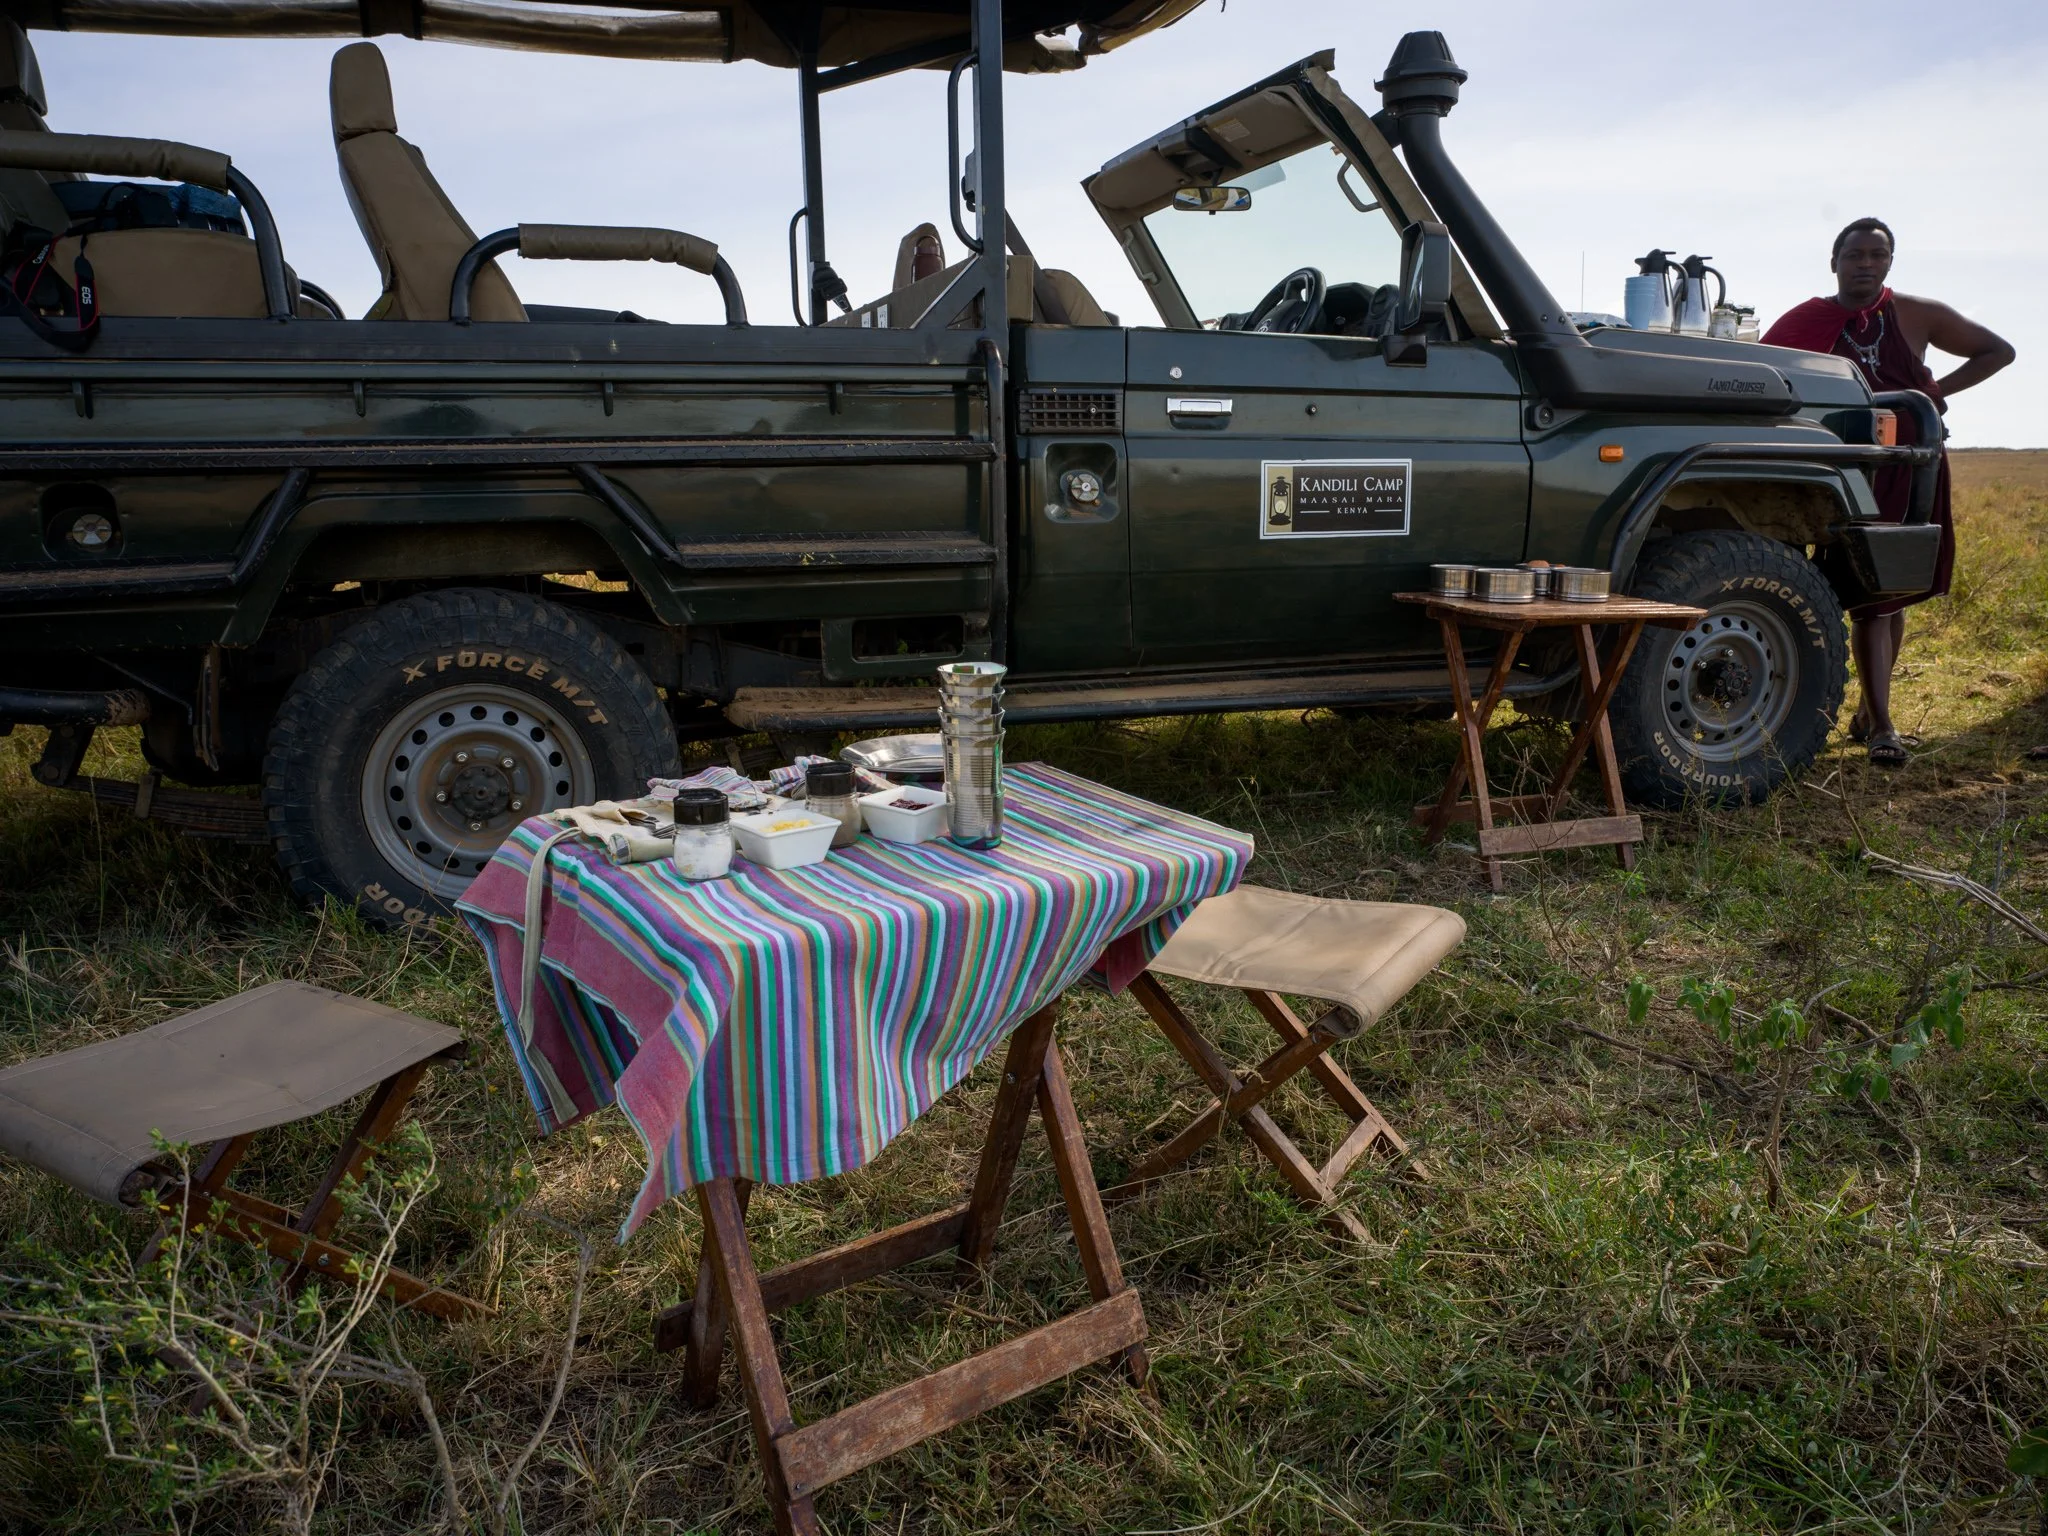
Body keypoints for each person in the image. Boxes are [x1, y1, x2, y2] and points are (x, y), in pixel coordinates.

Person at [1763, 218, 2014, 767]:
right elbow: (1764, 374)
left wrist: (1928, 395)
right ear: (1835, 262)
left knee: (1891, 593)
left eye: (1878, 255)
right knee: (1872, 601)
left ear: (1890, 263)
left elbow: (1999, 350)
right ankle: (1881, 722)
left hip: (1911, 463)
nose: (1866, 264)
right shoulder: (1809, 319)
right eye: (1855, 254)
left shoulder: (1917, 314)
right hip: (1844, 470)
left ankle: (1874, 716)